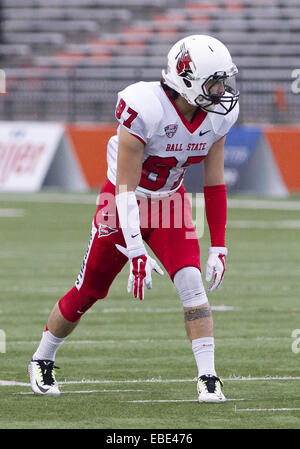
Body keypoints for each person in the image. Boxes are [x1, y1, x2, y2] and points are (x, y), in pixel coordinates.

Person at [28, 34, 239, 403]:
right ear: (188, 80)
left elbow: (215, 182)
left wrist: (218, 245)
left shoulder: (216, 119)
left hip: (170, 202)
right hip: (122, 201)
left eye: (224, 80)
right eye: (214, 82)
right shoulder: (145, 107)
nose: (222, 90)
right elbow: (125, 188)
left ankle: (208, 377)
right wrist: (136, 251)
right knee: (89, 290)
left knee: (192, 283)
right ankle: (42, 357)